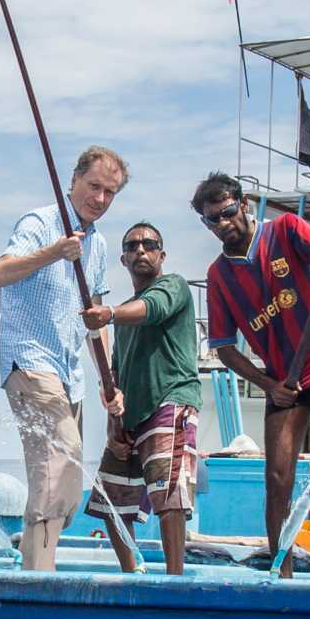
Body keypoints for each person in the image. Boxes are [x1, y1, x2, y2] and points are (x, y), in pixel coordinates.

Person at [192, 172, 310, 581]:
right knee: (277, 474)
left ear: (243, 204)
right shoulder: (218, 275)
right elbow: (224, 347)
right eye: (212, 221)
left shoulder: (286, 229)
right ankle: (283, 568)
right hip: (285, 378)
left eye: (226, 213)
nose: (222, 224)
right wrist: (267, 385)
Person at [0, 146, 129, 572]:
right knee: (60, 462)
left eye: (110, 192)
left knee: (62, 477)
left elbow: (95, 320)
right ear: (74, 182)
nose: (100, 199)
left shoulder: (100, 245)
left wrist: (109, 382)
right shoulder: (41, 222)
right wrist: (55, 251)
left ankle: (35, 564)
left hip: (71, 374)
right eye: (94, 187)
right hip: (30, 362)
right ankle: (40, 577)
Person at [80, 223, 204, 574]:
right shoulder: (123, 316)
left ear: (161, 255)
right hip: (130, 418)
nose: (141, 251)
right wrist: (112, 429)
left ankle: (174, 581)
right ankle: (132, 572)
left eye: (149, 245)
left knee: (169, 496)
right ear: (123, 259)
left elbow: (154, 308)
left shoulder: (173, 286)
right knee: (110, 501)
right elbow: (115, 377)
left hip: (171, 402)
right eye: (133, 246)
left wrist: (109, 313)